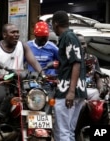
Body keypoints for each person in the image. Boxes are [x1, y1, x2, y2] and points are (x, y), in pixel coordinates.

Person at [0, 23, 43, 128]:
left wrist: (43, 74)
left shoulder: (22, 45)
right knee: (1, 97)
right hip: (0, 83)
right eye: (13, 32)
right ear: (4, 35)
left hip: (20, 81)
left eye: (17, 32)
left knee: (38, 95)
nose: (16, 34)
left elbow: (34, 62)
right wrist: (4, 76)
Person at [51, 10, 87, 141]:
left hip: (68, 91)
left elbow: (76, 63)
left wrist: (71, 92)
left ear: (55, 24)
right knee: (70, 131)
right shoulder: (71, 36)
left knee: (63, 131)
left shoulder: (68, 37)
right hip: (78, 90)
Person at [75, 33, 109, 140]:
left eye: (84, 44)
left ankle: (99, 134)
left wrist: (101, 88)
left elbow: (98, 78)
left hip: (92, 90)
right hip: (77, 91)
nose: (83, 46)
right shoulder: (71, 60)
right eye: (80, 44)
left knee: (102, 107)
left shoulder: (93, 58)